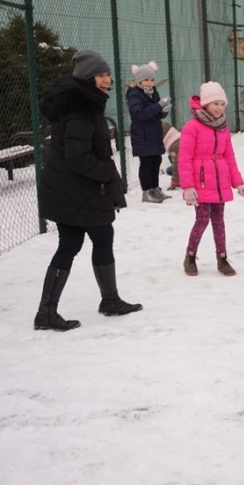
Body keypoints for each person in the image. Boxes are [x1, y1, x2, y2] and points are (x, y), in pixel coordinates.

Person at [35, 50, 142, 331]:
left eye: (108, 74)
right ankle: (101, 302)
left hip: (70, 188)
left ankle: (56, 310)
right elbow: (78, 157)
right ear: (87, 78)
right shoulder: (81, 109)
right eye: (100, 75)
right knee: (91, 239)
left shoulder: (82, 101)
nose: (107, 80)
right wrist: (108, 174)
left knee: (83, 240)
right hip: (76, 189)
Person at [180, 81, 244, 277]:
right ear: (205, 104)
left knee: (219, 221)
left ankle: (222, 258)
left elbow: (229, 156)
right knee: (202, 220)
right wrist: (188, 186)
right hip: (200, 182)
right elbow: (184, 158)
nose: (219, 108)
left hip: (219, 182)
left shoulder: (222, 127)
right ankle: (190, 256)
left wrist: (238, 182)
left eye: (222, 104)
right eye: (215, 103)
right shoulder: (192, 127)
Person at [127, 60, 172, 203]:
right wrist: (158, 106)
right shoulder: (134, 94)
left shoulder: (153, 92)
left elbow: (155, 113)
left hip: (154, 133)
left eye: (152, 80)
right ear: (139, 80)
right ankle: (146, 191)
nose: (150, 83)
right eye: (146, 80)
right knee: (146, 163)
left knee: (156, 160)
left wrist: (163, 111)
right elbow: (140, 113)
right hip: (142, 135)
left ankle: (155, 188)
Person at [162, 121, 181, 190]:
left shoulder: (175, 146)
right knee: (169, 167)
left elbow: (176, 164)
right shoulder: (178, 138)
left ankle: (181, 179)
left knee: (170, 170)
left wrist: (174, 181)